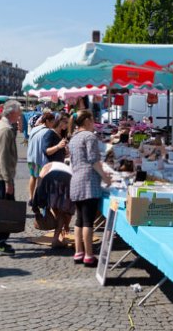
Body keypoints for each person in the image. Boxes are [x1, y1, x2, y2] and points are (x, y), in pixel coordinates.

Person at [69, 110, 112, 267]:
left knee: (79, 220)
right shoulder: (89, 136)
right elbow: (94, 160)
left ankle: (78, 252)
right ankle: (89, 255)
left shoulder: (73, 138)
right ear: (87, 121)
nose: (94, 123)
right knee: (88, 221)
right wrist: (106, 177)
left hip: (76, 180)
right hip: (88, 181)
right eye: (93, 120)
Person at [0, 100, 22, 256]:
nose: (20, 115)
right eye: (19, 112)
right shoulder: (5, 129)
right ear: (12, 113)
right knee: (3, 210)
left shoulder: (2, 126)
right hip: (1, 175)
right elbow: (4, 157)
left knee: (0, 208)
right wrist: (8, 180)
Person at [33, 161, 74, 248]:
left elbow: (38, 187)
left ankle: (57, 236)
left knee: (57, 209)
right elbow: (68, 211)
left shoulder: (48, 166)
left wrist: (36, 206)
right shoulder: (67, 169)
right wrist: (66, 224)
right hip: (66, 181)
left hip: (51, 181)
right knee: (62, 212)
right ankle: (56, 238)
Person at [26, 112, 54, 204]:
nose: (53, 124)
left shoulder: (34, 129)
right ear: (47, 121)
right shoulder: (47, 131)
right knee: (40, 178)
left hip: (31, 156)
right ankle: (37, 198)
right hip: (40, 158)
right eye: (52, 122)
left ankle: (31, 197)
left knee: (33, 176)